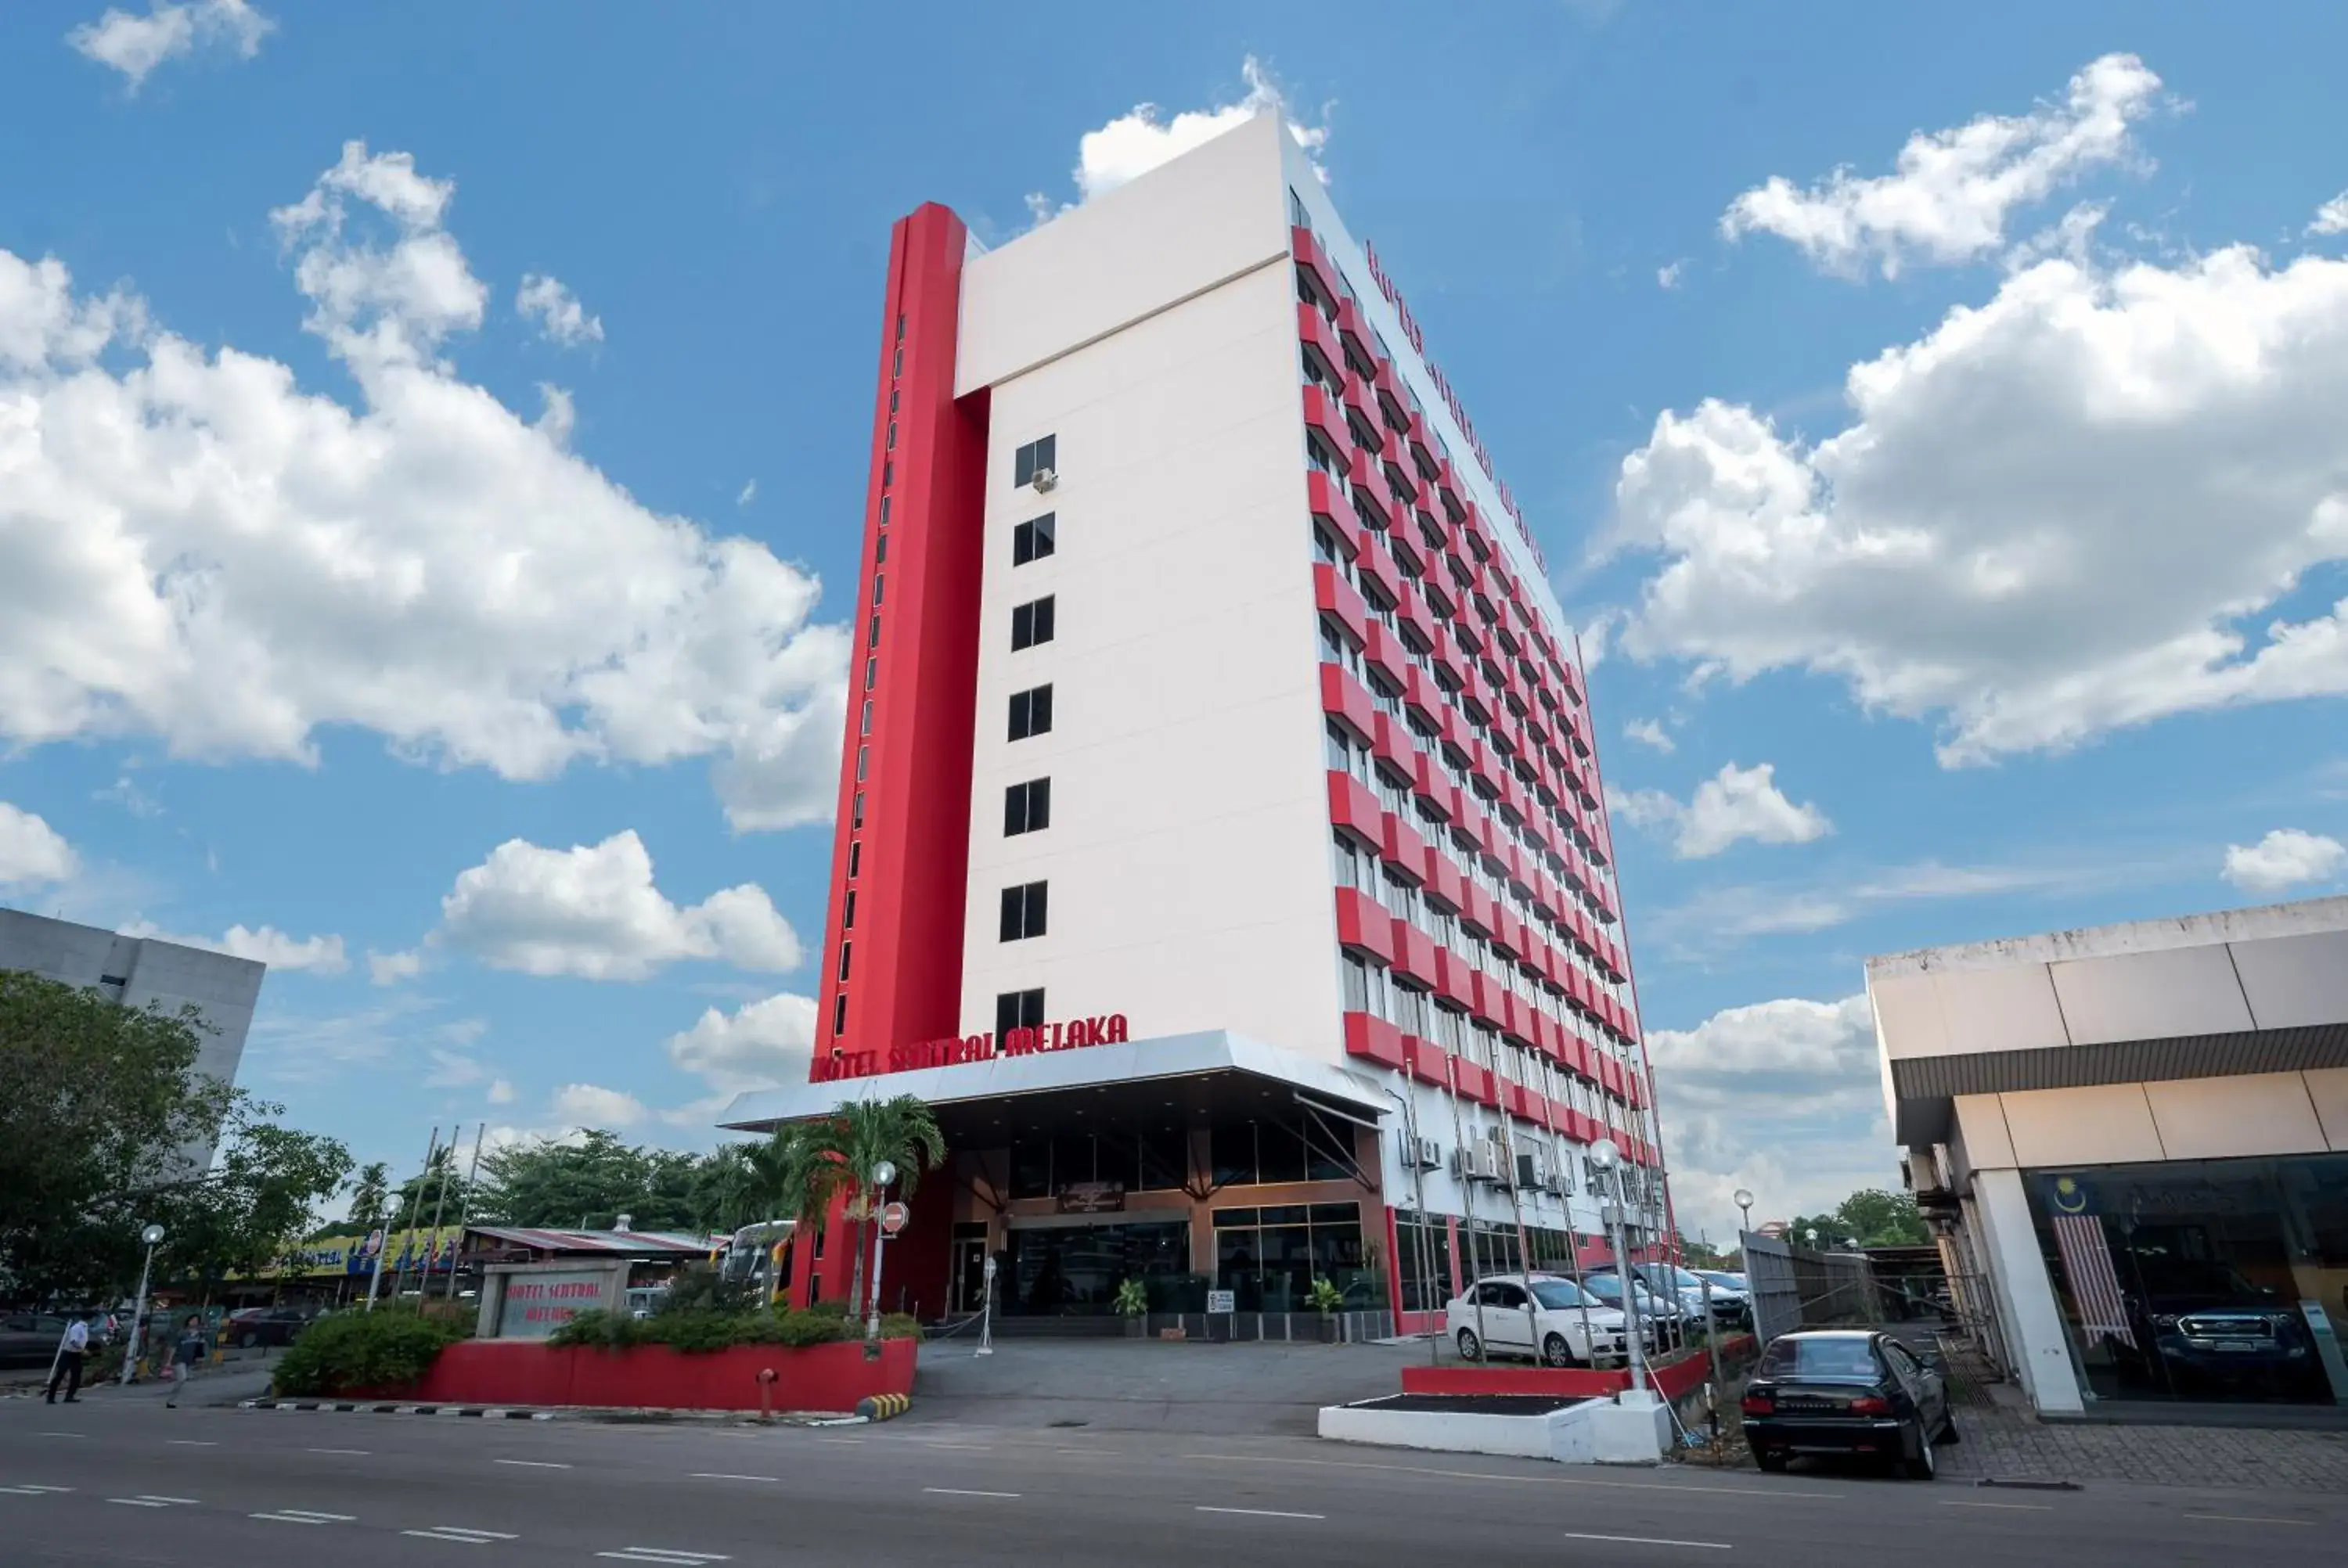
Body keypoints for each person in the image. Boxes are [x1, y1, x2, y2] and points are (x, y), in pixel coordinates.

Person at [163, 1315, 207, 1408]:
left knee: (181, 1380)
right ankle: (171, 1399)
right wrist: (169, 1361)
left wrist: (200, 1358)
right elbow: (173, 1347)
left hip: (188, 1360)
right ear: (188, 1321)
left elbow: (200, 1348)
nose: (194, 1322)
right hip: (179, 1359)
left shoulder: (198, 1334)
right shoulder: (182, 1333)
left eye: (196, 1321)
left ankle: (172, 1399)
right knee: (182, 1378)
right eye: (192, 1320)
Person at [45, 1316, 90, 1404]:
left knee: (76, 1375)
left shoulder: (85, 1328)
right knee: (60, 1374)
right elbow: (73, 1341)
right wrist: (83, 1349)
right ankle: (51, 1397)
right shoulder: (77, 1328)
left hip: (76, 1354)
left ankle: (70, 1396)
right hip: (68, 1353)